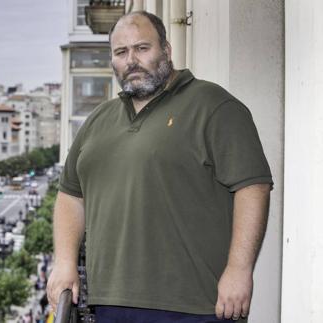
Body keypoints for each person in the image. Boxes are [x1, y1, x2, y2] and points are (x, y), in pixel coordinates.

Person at [46, 11, 272, 323]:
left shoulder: (214, 106)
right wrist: (64, 262)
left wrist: (239, 269)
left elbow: (253, 187)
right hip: (109, 303)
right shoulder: (98, 120)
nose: (131, 61)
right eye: (121, 52)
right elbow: (71, 196)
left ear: (166, 50)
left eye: (142, 48)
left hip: (196, 306)